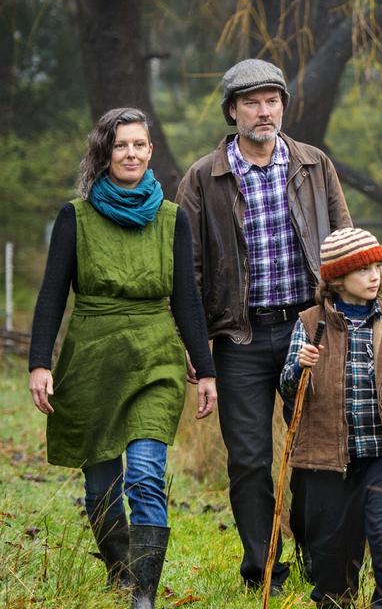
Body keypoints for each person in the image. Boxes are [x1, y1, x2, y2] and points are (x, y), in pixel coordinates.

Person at [29, 107, 218, 609]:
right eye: (120, 145)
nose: (130, 153)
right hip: (92, 357)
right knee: (101, 487)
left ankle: (144, 594)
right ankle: (120, 569)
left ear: (150, 151)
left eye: (138, 144)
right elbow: (52, 295)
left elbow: (187, 300)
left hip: (155, 356)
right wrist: (39, 363)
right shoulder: (77, 216)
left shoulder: (172, 219)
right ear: (105, 153)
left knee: (145, 475)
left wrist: (206, 369)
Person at [176, 58, 351, 591]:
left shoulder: (314, 164)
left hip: (308, 330)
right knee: (250, 459)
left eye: (272, 100)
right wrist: (196, 343)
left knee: (315, 452)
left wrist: (345, 318)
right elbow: (188, 270)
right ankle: (264, 569)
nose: (263, 111)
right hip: (239, 337)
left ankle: (313, 552)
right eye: (251, 102)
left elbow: (344, 241)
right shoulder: (203, 178)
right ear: (233, 112)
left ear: (282, 107)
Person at [280, 228, 382, 608]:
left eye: (378, 266)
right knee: (332, 549)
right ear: (337, 279)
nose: (375, 276)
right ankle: (335, 601)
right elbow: (289, 391)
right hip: (328, 461)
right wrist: (300, 367)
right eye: (363, 270)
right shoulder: (311, 324)